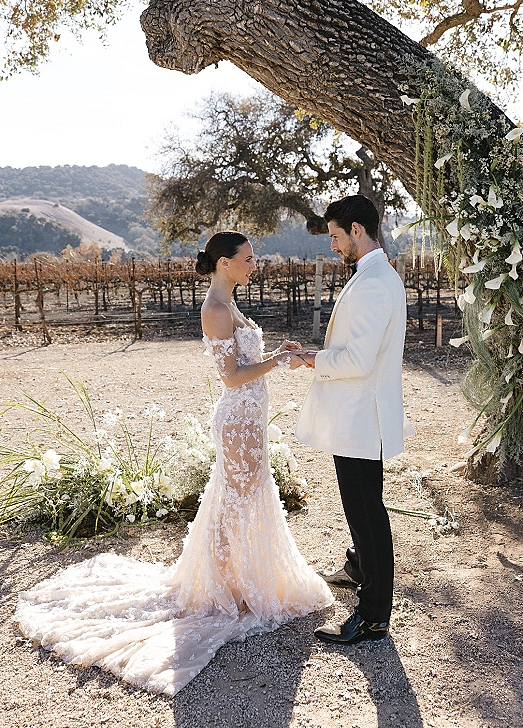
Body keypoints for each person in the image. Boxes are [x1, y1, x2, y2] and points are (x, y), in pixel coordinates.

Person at [15, 232, 332, 696]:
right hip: (238, 419)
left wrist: (278, 357)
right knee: (237, 500)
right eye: (247, 259)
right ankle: (225, 589)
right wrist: (279, 360)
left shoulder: (231, 303)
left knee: (242, 499)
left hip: (250, 417)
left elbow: (247, 362)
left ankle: (235, 581)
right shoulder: (215, 309)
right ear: (225, 263)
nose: (253, 265)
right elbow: (230, 376)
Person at [295, 195, 412, 644]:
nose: (333, 246)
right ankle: (357, 565)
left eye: (336, 236)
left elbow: (359, 360)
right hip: (363, 413)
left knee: (367, 513)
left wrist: (312, 359)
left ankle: (373, 616)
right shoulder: (375, 275)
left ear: (358, 230)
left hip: (363, 416)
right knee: (364, 507)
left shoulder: (374, 283)